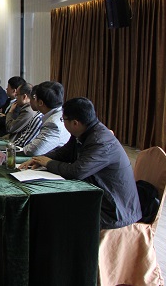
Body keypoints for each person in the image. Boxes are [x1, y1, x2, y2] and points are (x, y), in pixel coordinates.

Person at [20, 97, 142, 230]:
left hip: (113, 210)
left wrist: (48, 163)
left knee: (55, 210)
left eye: (63, 119)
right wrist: (40, 159)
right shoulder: (84, 131)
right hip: (96, 194)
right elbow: (65, 153)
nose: (63, 122)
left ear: (75, 123)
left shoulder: (101, 142)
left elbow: (76, 172)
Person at [21, 81, 70, 155]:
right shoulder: (62, 113)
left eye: (35, 97)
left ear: (40, 103)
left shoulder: (53, 124)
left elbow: (34, 150)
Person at [10, 83, 43, 148]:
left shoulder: (31, 113)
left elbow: (11, 128)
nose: (30, 102)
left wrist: (10, 112)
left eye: (17, 95)